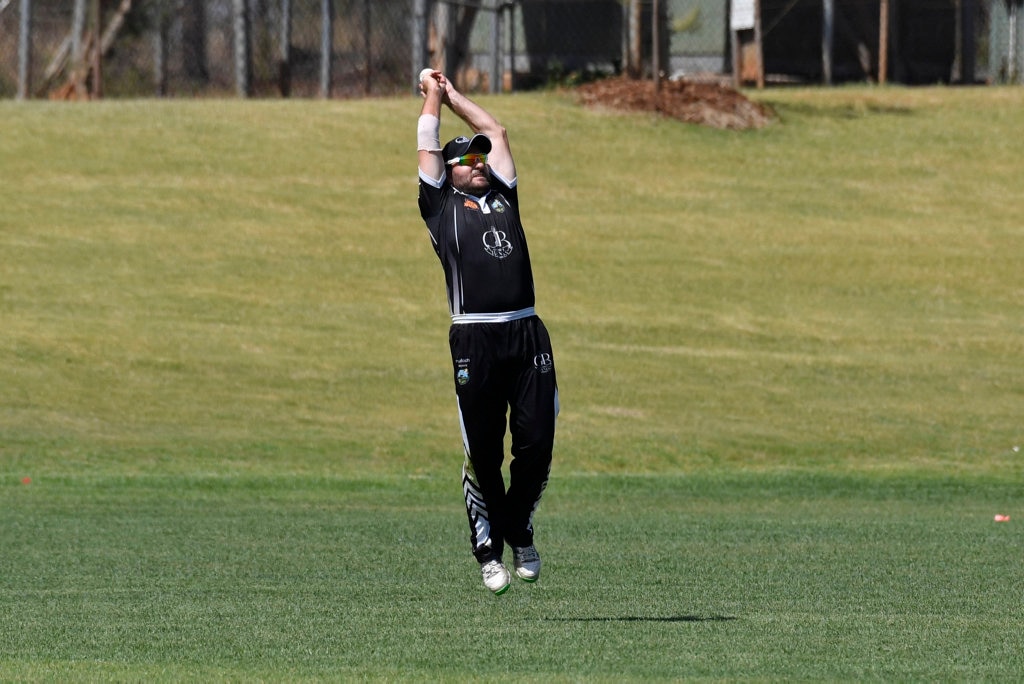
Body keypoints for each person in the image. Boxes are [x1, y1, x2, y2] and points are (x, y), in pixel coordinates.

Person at [415, 70, 559, 595]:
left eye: (478, 159)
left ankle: (519, 527)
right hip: (475, 339)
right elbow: (428, 147)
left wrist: (454, 95)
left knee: (538, 444)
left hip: (526, 335)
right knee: (485, 454)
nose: (477, 164)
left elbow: (496, 132)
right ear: (448, 173)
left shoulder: (505, 196)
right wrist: (431, 94)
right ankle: (488, 548)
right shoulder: (440, 208)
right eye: (466, 160)